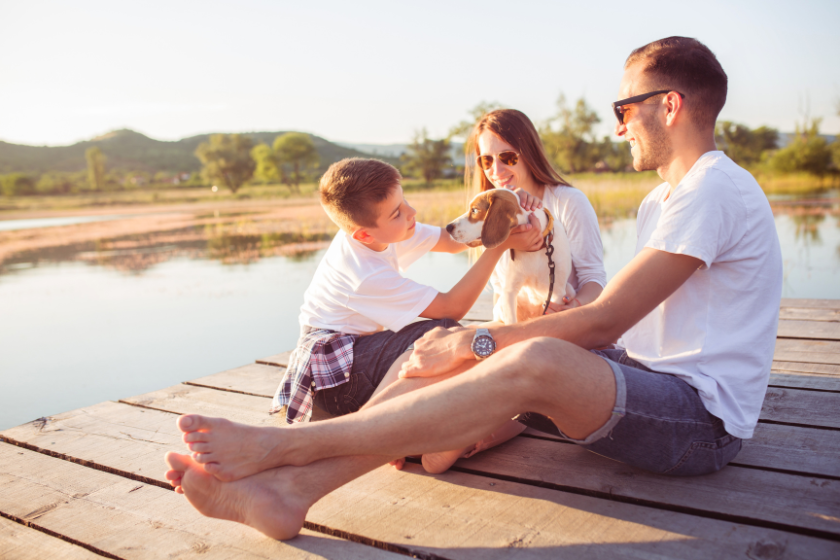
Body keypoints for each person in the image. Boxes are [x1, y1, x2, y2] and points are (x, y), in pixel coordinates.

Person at [164, 36, 783, 542]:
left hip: (700, 420)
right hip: (644, 378)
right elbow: (612, 326)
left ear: (668, 105)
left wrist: (477, 343)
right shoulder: (665, 198)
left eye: (624, 110)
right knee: (443, 350)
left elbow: (603, 318)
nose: (618, 128)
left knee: (513, 351)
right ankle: (292, 493)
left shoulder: (713, 190)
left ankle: (282, 450)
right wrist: (468, 343)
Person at [270, 157, 543, 427]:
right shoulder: (364, 273)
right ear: (364, 235)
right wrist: (498, 246)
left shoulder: (388, 230)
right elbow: (451, 308)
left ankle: (425, 423)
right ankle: (373, 425)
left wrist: (507, 210)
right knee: (441, 332)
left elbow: (451, 241)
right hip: (334, 380)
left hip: (355, 356)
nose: (411, 212)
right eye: (397, 212)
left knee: (446, 340)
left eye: (404, 201)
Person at [419, 109, 606, 474]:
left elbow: (595, 281)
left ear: (529, 152)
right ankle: (420, 429)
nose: (496, 169)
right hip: (511, 326)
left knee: (523, 368)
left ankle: (473, 436)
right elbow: (503, 296)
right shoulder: (490, 213)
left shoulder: (567, 201)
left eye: (507, 157)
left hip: (564, 326)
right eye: (486, 159)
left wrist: (571, 310)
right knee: (443, 351)